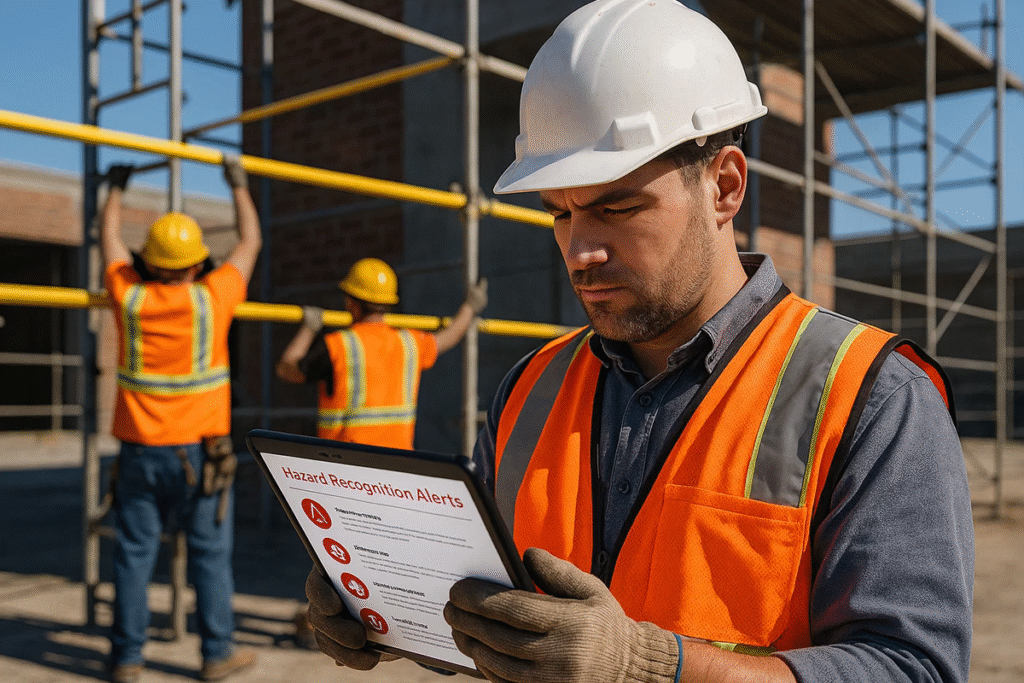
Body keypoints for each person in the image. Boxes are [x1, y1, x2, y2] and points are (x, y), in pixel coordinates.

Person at [302, 2, 973, 682]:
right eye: (559, 214)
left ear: (725, 185)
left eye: (616, 207)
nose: (580, 250)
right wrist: (391, 606)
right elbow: (492, 605)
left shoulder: (874, 397)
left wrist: (653, 666)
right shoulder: (530, 387)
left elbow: (913, 668)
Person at [100, 155, 262, 683]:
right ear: (196, 264)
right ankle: (217, 654)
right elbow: (251, 243)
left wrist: (115, 193)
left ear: (149, 262)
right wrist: (237, 184)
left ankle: (127, 660)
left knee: (133, 556)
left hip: (140, 453)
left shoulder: (130, 298)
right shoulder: (211, 299)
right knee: (210, 556)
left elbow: (110, 245)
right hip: (201, 453)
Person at [275, 257, 488, 450]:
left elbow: (287, 370)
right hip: (396, 466)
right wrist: (470, 307)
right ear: (388, 304)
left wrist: (308, 328)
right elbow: (447, 338)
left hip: (345, 470)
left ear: (351, 303)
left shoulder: (338, 346)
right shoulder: (409, 344)